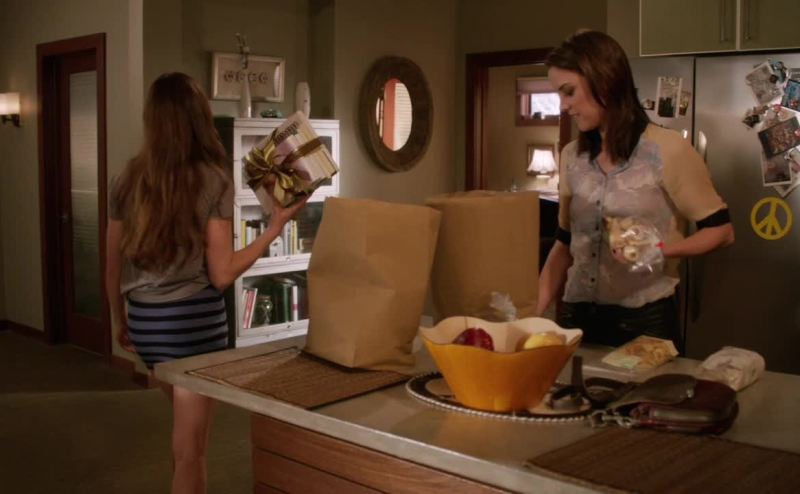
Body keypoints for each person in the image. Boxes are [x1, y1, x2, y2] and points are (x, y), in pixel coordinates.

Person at [105, 72, 307, 494]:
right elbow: (222, 273)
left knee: (185, 437)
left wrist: (118, 318)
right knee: (191, 451)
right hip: (193, 325)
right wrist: (273, 229)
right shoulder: (213, 180)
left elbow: (111, 265)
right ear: (200, 118)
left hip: (145, 324)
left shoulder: (125, 180)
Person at [537, 31, 735, 352]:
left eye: (569, 92)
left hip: (646, 322)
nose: (563, 106)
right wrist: (533, 313)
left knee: (643, 389)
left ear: (603, 81)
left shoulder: (667, 149)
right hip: (577, 319)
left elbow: (722, 232)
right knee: (575, 386)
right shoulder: (572, 156)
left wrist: (659, 250)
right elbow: (563, 242)